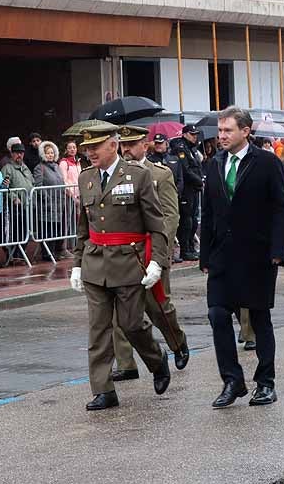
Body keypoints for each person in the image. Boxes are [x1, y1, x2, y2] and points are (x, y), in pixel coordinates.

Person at [69, 121, 171, 411]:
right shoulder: (86, 177)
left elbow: (156, 224)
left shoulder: (138, 176)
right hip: (95, 264)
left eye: (95, 146)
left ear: (113, 145)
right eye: (87, 147)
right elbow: (83, 226)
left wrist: (157, 263)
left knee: (131, 325)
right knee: (98, 330)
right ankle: (103, 390)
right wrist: (77, 263)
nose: (90, 152)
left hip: (128, 263)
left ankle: (157, 360)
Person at [200, 106, 284, 408]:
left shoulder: (266, 162)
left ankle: (265, 382)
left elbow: (281, 207)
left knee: (259, 317)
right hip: (222, 256)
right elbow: (209, 212)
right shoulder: (214, 164)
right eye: (220, 130)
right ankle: (232, 380)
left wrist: (278, 250)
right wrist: (205, 255)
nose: (221, 135)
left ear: (245, 132)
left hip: (257, 254)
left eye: (227, 130)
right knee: (217, 314)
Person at [112, 125, 189, 381]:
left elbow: (169, 215)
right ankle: (126, 363)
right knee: (121, 312)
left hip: (150, 249)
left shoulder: (160, 174)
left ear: (144, 146)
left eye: (131, 145)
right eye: (123, 145)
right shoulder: (116, 175)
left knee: (157, 307)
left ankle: (177, 343)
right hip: (124, 253)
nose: (126, 150)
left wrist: (159, 252)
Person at [33, 140, 69, 259]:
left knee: (57, 230)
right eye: (48, 153)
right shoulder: (40, 168)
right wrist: (46, 200)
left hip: (59, 204)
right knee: (48, 230)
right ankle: (47, 253)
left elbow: (62, 182)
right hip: (46, 206)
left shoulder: (57, 167)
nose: (50, 155)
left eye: (52, 153)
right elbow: (38, 186)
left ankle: (56, 252)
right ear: (43, 154)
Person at [1, 142, 34, 264]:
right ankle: (15, 255)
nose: (19, 155)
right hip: (15, 206)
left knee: (25, 231)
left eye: (21, 153)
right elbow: (4, 187)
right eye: (17, 153)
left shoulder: (25, 168)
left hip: (27, 205)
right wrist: (13, 197)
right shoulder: (7, 168)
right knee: (16, 231)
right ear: (12, 154)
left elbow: (31, 182)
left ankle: (21, 254)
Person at [175, 125, 203, 262]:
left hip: (194, 188)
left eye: (196, 134)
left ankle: (191, 247)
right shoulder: (181, 148)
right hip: (186, 189)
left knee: (193, 219)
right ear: (185, 134)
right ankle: (185, 250)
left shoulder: (192, 148)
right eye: (192, 134)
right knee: (187, 220)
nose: (195, 136)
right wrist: (199, 180)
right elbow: (186, 170)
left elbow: (196, 166)